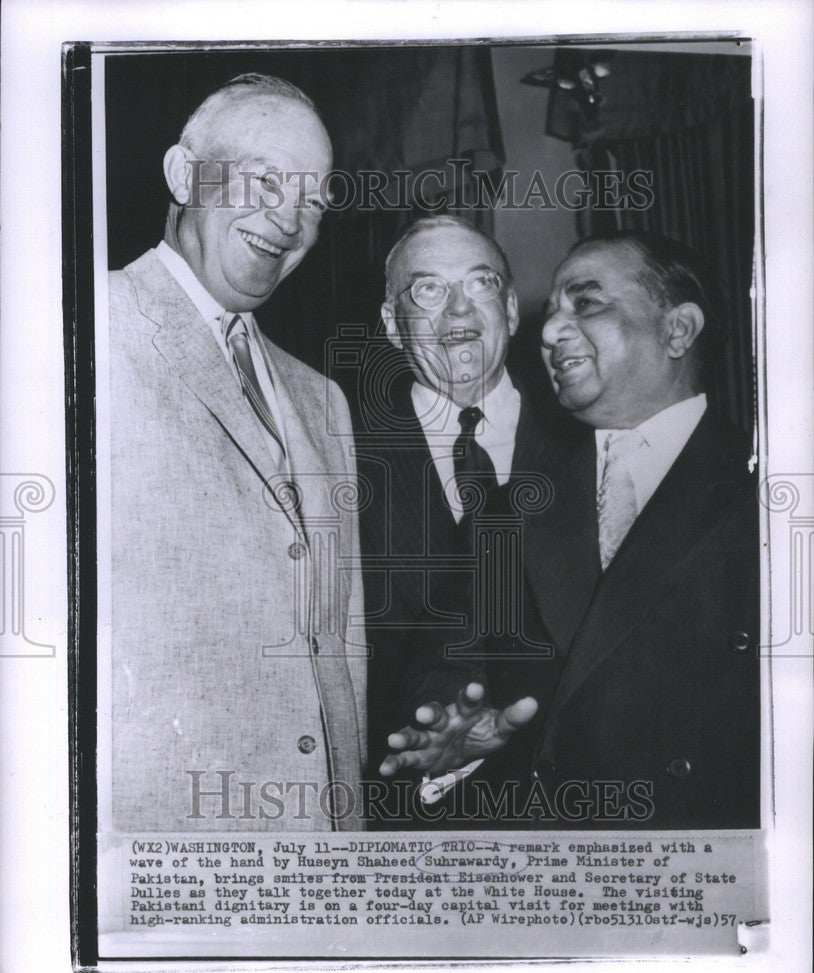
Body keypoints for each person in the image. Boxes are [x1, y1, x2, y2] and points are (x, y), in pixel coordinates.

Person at [381, 232, 760, 829]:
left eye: (585, 304)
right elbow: (453, 671)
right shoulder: (502, 514)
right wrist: (448, 748)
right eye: (551, 311)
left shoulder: (771, 494)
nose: (551, 331)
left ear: (678, 330)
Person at [109, 74, 366, 832]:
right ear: (184, 175)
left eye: (313, 200)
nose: (287, 219)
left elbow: (342, 647)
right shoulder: (79, 338)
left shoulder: (323, 401)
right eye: (264, 181)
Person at [356, 215, 566, 818]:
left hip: (577, 822)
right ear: (394, 326)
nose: (457, 313)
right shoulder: (338, 454)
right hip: (399, 820)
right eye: (428, 290)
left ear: (511, 308)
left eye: (479, 283)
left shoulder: (591, 439)